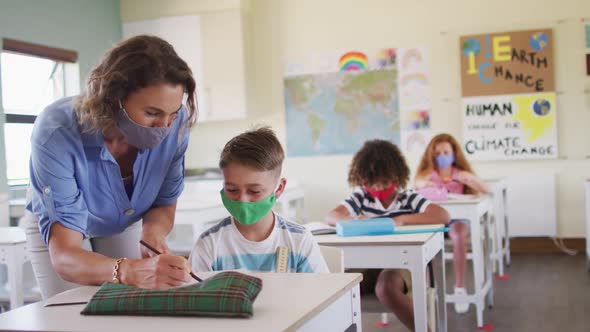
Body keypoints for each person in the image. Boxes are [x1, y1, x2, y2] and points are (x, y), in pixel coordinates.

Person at [24, 35, 197, 299]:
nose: (164, 126)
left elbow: (164, 202)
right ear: (114, 99)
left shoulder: (177, 125)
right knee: (73, 312)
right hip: (63, 229)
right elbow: (65, 256)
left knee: (129, 307)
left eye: (171, 114)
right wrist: (125, 270)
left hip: (123, 219)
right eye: (151, 113)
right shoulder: (56, 131)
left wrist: (153, 233)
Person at [326, 139, 449, 331]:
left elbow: (443, 215)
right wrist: (354, 219)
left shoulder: (407, 199)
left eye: (383, 183)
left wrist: (401, 220)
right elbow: (331, 216)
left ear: (396, 178)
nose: (377, 190)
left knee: (386, 288)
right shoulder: (361, 198)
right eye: (371, 184)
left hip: (403, 263)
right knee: (338, 287)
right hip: (368, 264)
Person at [189, 127, 328, 273]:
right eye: (232, 190)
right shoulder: (209, 244)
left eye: (254, 191)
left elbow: (325, 293)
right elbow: (196, 292)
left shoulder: (300, 241)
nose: (243, 200)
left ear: (279, 188)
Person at [414, 133, 489, 313]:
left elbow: (486, 189)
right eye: (438, 153)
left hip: (457, 220)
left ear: (454, 153)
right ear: (431, 155)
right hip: (435, 221)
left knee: (459, 234)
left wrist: (471, 180)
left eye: (446, 152)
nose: (442, 157)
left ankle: (460, 287)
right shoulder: (427, 174)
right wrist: (427, 184)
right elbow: (417, 184)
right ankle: (427, 290)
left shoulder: (461, 173)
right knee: (423, 239)